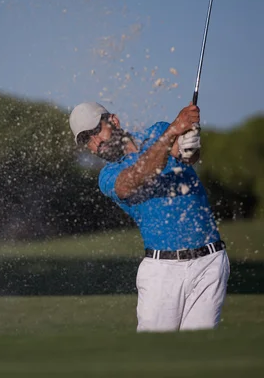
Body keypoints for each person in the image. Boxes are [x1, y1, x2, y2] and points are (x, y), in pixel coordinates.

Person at [69, 101, 230, 332]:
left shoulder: (157, 131)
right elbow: (133, 180)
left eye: (95, 132)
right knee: (154, 355)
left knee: (198, 353)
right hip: (162, 270)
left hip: (210, 263)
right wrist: (175, 130)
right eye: (87, 141)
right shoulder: (108, 176)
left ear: (113, 121)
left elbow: (185, 155)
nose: (96, 143)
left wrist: (190, 141)